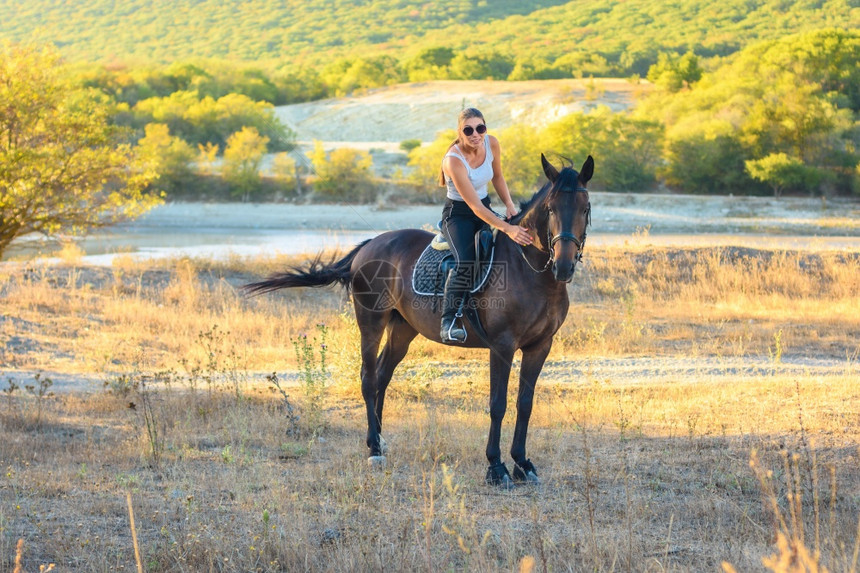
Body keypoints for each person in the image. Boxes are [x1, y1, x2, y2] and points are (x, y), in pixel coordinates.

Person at [438, 108, 533, 343]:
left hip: (485, 205)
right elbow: (475, 209)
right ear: (460, 132)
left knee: (505, 248)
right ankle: (448, 321)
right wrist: (508, 228)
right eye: (468, 130)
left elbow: (498, 177)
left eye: (480, 128)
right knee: (466, 261)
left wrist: (510, 206)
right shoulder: (453, 160)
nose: (475, 134)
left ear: (485, 128)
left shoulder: (492, 143)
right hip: (459, 215)